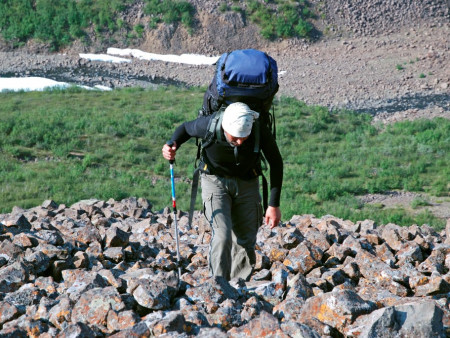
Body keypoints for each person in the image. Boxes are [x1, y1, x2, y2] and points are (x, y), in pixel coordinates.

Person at [162, 102, 283, 281]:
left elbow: (276, 162)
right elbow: (185, 129)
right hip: (214, 180)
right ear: (225, 129)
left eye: (244, 137)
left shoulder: (258, 129)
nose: (240, 142)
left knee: (246, 238)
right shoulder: (211, 124)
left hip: (247, 181)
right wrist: (171, 144)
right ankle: (219, 287)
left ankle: (239, 285)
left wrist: (273, 205)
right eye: (235, 137)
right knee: (223, 234)